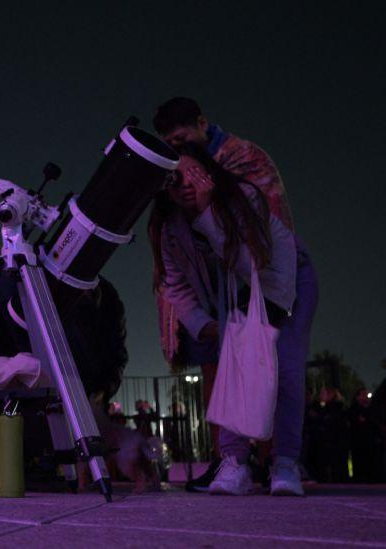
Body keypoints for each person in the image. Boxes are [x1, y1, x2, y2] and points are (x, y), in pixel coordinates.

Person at [153, 97, 318, 493]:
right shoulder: (169, 224)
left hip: (282, 280)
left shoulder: (245, 194)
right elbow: (173, 282)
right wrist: (204, 326)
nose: (185, 187)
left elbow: (253, 265)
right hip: (233, 290)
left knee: (286, 371)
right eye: (175, 179)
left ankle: (284, 464)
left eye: (193, 175)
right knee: (231, 367)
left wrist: (209, 211)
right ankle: (234, 462)